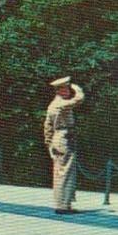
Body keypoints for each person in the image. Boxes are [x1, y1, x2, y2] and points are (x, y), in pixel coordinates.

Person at [44, 76, 85, 214]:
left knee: (60, 172)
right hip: (64, 139)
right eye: (66, 89)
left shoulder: (52, 105)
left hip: (58, 138)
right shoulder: (60, 104)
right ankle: (62, 206)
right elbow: (79, 99)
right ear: (60, 90)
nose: (68, 91)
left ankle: (64, 204)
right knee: (65, 173)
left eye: (69, 88)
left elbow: (47, 127)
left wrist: (49, 143)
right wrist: (77, 88)